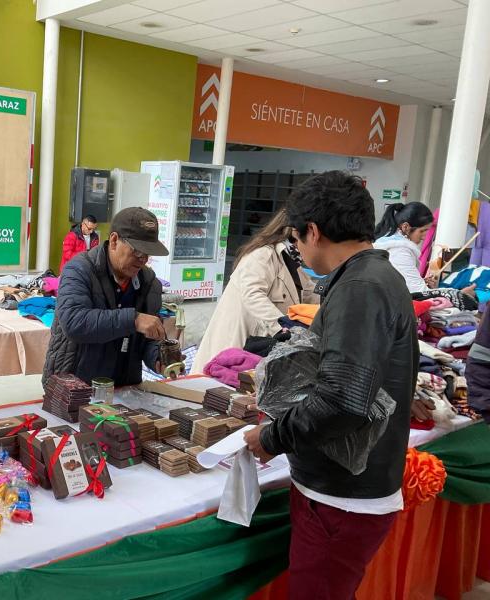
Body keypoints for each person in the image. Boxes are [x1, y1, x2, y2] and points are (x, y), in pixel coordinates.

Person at [244, 171, 418, 599]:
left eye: (297, 239)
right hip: (347, 491)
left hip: (343, 497)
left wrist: (272, 437)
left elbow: (342, 397)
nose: (299, 250)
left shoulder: (361, 288)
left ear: (314, 232)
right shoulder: (374, 277)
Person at [43, 207, 168, 387]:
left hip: (123, 388)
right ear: (115, 240)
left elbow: (148, 340)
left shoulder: (149, 282)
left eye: (148, 254)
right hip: (75, 388)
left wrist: (158, 357)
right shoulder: (78, 270)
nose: (143, 260)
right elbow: (74, 322)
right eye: (138, 252)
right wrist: (133, 319)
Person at [192, 209, 317, 374]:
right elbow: (253, 294)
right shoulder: (263, 254)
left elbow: (311, 295)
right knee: (219, 392)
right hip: (236, 345)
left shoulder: (293, 262)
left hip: (256, 350)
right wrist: (281, 326)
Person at [374, 202, 476, 304]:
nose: (424, 237)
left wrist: (421, 281)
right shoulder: (399, 251)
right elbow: (418, 293)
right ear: (405, 227)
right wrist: (459, 294)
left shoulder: (388, 243)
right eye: (422, 231)